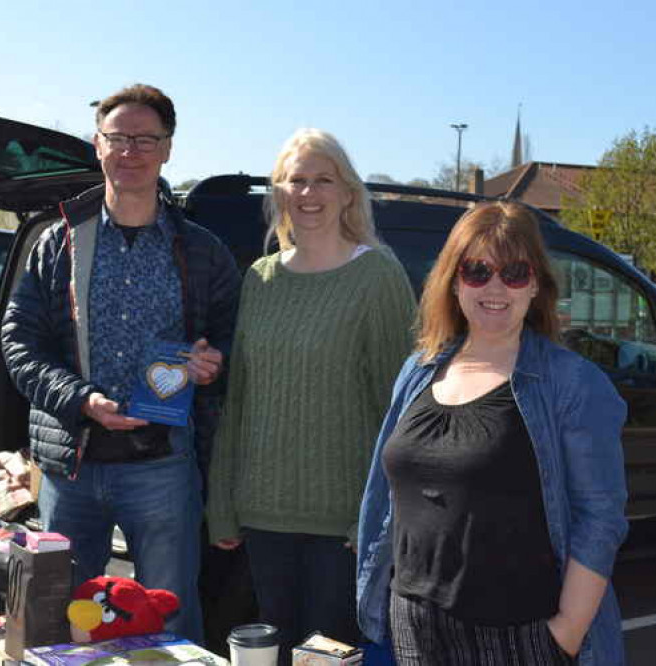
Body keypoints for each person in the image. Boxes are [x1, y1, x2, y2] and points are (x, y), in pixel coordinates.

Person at [1, 84, 240, 644]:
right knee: (62, 619)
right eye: (118, 138)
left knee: (171, 617)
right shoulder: (57, 243)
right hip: (72, 464)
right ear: (97, 144)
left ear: (167, 149)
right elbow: (18, 343)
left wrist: (214, 359)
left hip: (163, 464)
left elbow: (234, 332)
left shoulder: (201, 248)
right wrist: (79, 399)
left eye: (145, 139)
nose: (130, 151)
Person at [356, 201, 629, 665]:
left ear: (537, 284)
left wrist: (563, 635)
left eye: (515, 272)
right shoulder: (418, 369)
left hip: (518, 636)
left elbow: (600, 519)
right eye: (477, 270)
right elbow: (389, 496)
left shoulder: (572, 384)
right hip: (414, 625)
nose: (495, 287)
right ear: (453, 281)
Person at [207, 128, 415, 662]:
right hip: (264, 516)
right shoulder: (260, 278)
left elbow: (401, 413)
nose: (308, 193)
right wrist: (224, 502)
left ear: (348, 192)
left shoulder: (377, 276)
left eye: (323, 179)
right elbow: (242, 402)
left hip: (342, 524)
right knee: (270, 656)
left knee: (327, 656)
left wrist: (373, 516)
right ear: (278, 193)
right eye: (296, 180)